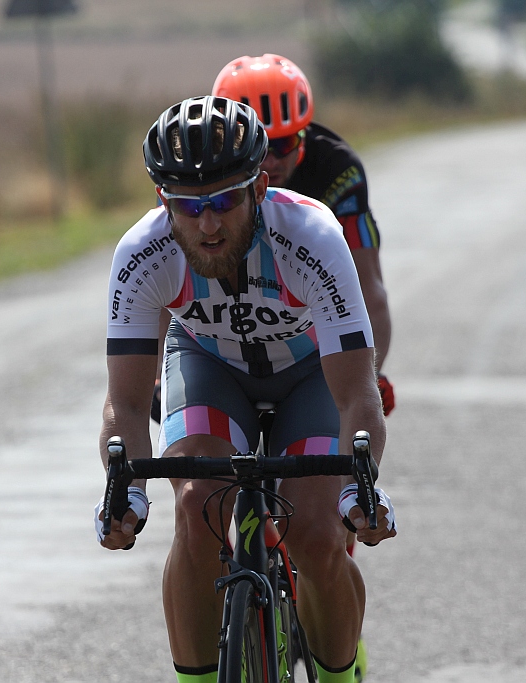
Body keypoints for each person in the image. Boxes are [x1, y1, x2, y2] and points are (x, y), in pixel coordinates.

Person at [97, 96, 396, 683]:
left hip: (310, 374)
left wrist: (358, 490)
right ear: (163, 200)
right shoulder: (141, 254)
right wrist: (125, 493)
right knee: (195, 506)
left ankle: (339, 673)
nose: (207, 224)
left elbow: (357, 393)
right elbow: (126, 401)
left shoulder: (312, 236)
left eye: (225, 201)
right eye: (189, 206)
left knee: (317, 535)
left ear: (259, 188)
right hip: (209, 365)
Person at [213, 53, 394, 417]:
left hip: (313, 331)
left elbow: (369, 290)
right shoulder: (201, 170)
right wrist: (157, 379)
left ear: (305, 133)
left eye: (285, 144)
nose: (271, 161)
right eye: (259, 146)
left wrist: (370, 376)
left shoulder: (338, 169)